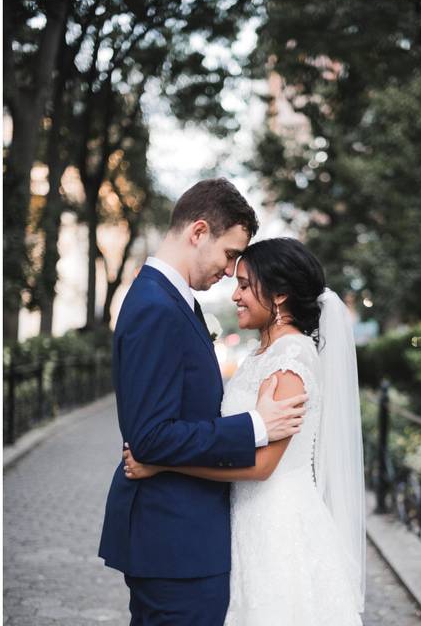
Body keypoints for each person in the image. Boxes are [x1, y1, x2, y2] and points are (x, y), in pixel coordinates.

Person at [97, 179, 309, 626]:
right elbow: (150, 436)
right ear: (198, 232)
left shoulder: (174, 301)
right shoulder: (158, 305)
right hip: (175, 541)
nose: (230, 273)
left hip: (185, 536)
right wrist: (256, 425)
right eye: (231, 255)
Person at [123, 238, 365, 625]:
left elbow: (262, 465)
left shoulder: (292, 359)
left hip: (278, 526)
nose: (234, 294)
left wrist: (163, 465)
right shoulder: (260, 355)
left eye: (245, 285)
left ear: (280, 295)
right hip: (244, 520)